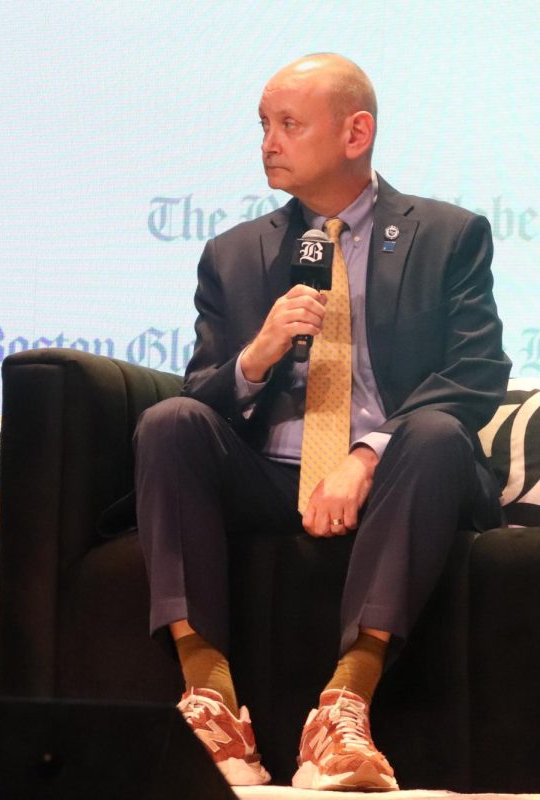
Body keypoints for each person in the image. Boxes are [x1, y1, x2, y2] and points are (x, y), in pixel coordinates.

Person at [132, 53, 508, 790]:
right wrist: (257, 357)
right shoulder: (235, 253)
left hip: (398, 475)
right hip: (270, 473)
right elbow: (204, 394)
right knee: (168, 423)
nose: (268, 142)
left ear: (355, 132)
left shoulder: (446, 235)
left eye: (289, 125)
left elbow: (474, 376)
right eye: (264, 126)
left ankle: (343, 710)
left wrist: (366, 456)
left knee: (432, 436)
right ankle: (213, 705)